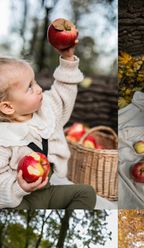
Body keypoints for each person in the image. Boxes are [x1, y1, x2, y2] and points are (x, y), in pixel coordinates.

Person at [0, 42, 96, 209]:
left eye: (35, 81)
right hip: (24, 200)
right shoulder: (4, 139)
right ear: (8, 107)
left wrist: (67, 59)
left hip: (50, 190)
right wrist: (19, 187)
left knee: (86, 193)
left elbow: (62, 93)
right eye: (29, 87)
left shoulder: (47, 110)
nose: (39, 89)